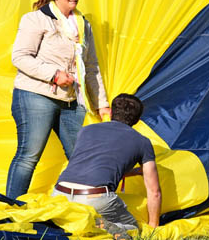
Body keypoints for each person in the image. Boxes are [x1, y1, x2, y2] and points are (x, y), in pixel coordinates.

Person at [7, 0, 110, 199]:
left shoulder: (84, 25)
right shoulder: (35, 19)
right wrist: (54, 75)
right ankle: (13, 210)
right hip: (36, 95)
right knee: (29, 155)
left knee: (80, 156)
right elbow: (20, 57)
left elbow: (91, 66)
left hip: (72, 100)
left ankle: (85, 207)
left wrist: (102, 103)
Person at [52, 94, 162, 239]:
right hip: (94, 197)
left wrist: (135, 172)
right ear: (137, 120)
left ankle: (88, 224)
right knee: (133, 229)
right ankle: (100, 225)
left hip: (60, 194)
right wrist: (153, 227)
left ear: (110, 112)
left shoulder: (86, 130)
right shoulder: (142, 142)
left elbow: (94, 166)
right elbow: (154, 192)